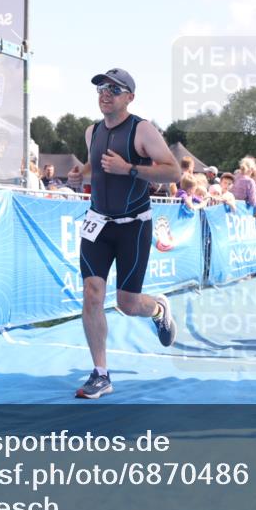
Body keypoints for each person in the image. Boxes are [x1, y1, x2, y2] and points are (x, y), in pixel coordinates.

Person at [75, 68, 181, 399]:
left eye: (114, 89)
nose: (105, 93)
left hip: (133, 226)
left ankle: (159, 309)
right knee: (92, 293)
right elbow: (96, 162)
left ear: (129, 97)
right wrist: (83, 172)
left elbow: (172, 170)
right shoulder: (91, 132)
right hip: (97, 224)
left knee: (127, 303)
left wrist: (130, 169)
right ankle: (101, 374)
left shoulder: (142, 129)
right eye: (101, 88)